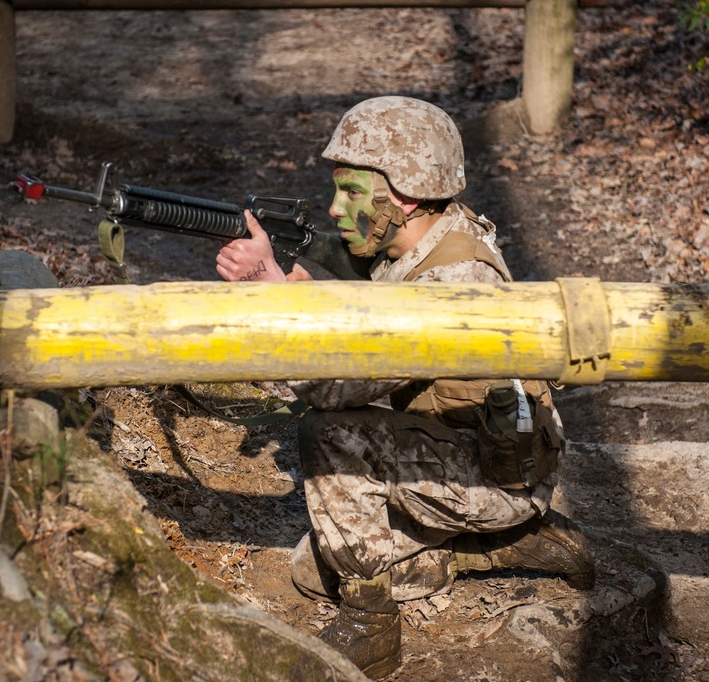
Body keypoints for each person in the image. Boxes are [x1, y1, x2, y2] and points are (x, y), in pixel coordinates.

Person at [216, 96, 594, 679]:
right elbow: (368, 323)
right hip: (476, 450)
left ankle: (372, 628)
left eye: (352, 191)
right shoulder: (429, 235)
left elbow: (334, 389)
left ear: (407, 196)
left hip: (499, 475)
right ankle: (503, 547)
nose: (336, 208)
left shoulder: (452, 281)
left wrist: (271, 313)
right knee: (310, 568)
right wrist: (280, 282)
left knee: (327, 432)